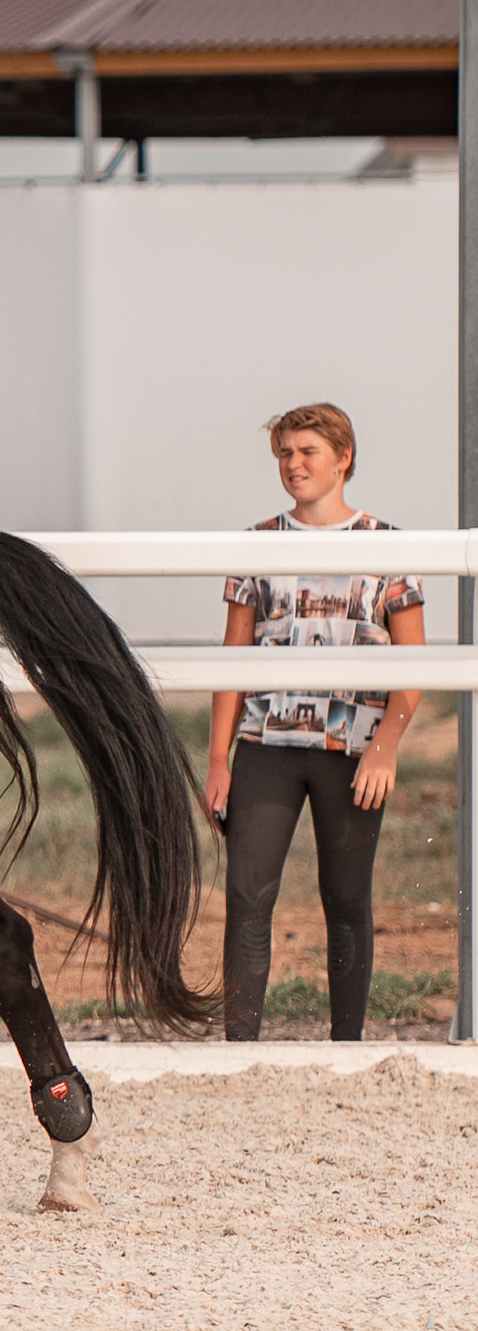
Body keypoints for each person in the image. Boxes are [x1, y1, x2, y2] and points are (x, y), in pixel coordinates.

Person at [209, 403, 424, 1042]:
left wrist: (387, 746)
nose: (293, 465)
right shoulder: (255, 544)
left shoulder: (391, 545)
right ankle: (238, 1049)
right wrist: (218, 759)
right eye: (284, 454)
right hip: (267, 744)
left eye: (306, 452)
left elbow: (416, 662)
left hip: (354, 753)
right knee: (247, 898)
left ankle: (347, 1046)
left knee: (347, 899)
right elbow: (233, 659)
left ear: (343, 458)